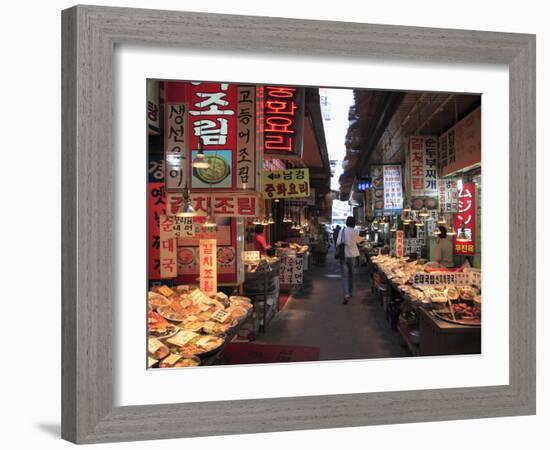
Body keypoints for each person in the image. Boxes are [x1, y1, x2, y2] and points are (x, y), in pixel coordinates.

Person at [336, 216, 365, 304]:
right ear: (354, 223)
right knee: (351, 274)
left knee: (345, 276)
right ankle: (350, 292)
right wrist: (363, 238)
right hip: (353, 255)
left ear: (347, 223)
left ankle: (346, 294)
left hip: (344, 255)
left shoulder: (342, 231)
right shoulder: (356, 231)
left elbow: (338, 242)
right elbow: (359, 241)